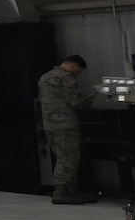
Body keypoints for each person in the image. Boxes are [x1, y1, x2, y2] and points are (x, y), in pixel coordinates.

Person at [39, 54, 97, 204]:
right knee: (69, 158)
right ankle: (61, 192)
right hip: (66, 125)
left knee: (61, 157)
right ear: (72, 66)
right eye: (78, 71)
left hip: (49, 124)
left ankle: (71, 191)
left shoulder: (45, 77)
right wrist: (89, 100)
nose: (77, 75)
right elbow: (76, 102)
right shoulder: (66, 78)